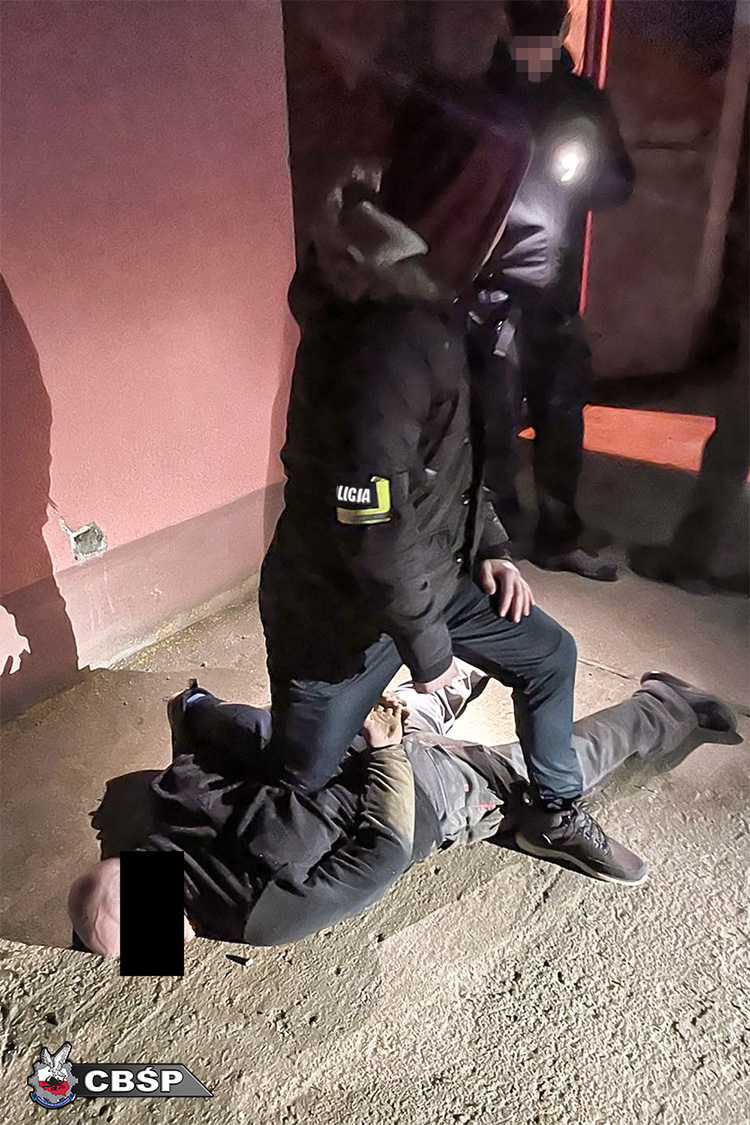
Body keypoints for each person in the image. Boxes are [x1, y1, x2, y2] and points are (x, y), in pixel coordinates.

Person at [260, 77, 644, 879]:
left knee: (550, 653)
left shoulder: (432, 299)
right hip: (338, 613)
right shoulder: (386, 336)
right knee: (295, 800)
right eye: (503, 200)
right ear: (466, 206)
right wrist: (431, 654)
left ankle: (553, 809)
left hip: (426, 575)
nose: (513, 222)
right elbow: (369, 523)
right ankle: (209, 724)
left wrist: (491, 546)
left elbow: (447, 460)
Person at [67, 667, 738, 955]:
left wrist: (387, 753)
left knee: (559, 769)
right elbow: (237, 729)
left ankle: (667, 703)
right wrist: (198, 706)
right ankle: (461, 659)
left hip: (425, 790)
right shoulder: (174, 802)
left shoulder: (258, 915)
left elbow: (385, 848)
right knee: (422, 695)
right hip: (360, 741)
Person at [465, 0, 635, 580]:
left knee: (561, 415)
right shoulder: (482, 98)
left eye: (545, 22)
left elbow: (619, 185)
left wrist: (586, 168)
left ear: (561, 25)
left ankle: (557, 538)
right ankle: (496, 544)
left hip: (551, 294)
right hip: (491, 292)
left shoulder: (582, 102)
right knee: (494, 420)